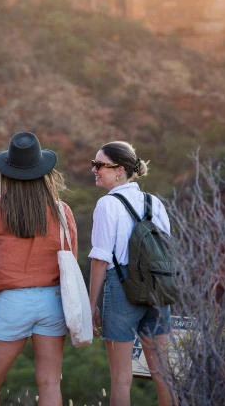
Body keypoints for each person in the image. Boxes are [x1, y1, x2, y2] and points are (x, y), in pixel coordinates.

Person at [0, 131, 77, 406]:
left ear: (7, 172)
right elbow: (70, 259)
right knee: (49, 382)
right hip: (53, 300)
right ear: (44, 172)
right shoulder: (61, 210)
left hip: (13, 301)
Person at [87, 141, 178, 406]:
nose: (94, 170)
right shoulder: (154, 202)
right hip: (158, 291)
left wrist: (91, 305)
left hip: (121, 290)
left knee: (121, 379)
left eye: (99, 165)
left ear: (120, 170)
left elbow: (100, 260)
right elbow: (166, 248)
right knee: (163, 374)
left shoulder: (107, 205)